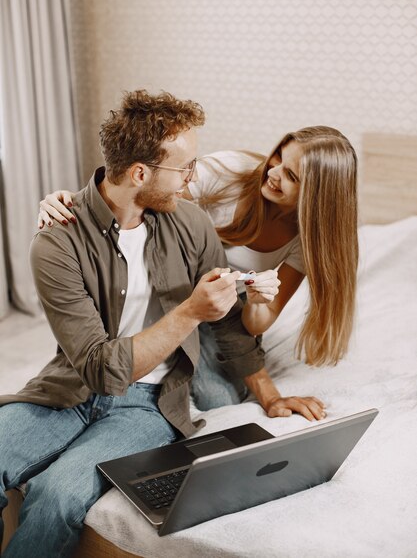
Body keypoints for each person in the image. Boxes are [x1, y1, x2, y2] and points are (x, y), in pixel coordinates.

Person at [1, 89, 327, 558]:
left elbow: (232, 328)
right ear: (139, 173)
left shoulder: (191, 223)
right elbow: (99, 370)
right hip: (70, 389)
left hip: (149, 404)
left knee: (59, 493)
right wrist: (190, 311)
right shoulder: (57, 242)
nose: (193, 179)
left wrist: (271, 398)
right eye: (186, 168)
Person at [39, 125, 358, 418]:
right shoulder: (230, 171)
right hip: (170, 288)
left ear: (318, 195)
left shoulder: (305, 241)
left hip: (223, 312)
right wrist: (78, 205)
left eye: (292, 176)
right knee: (119, 365)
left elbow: (257, 321)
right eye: (278, 158)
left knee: (220, 401)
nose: (273, 172)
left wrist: (259, 302)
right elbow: (146, 201)